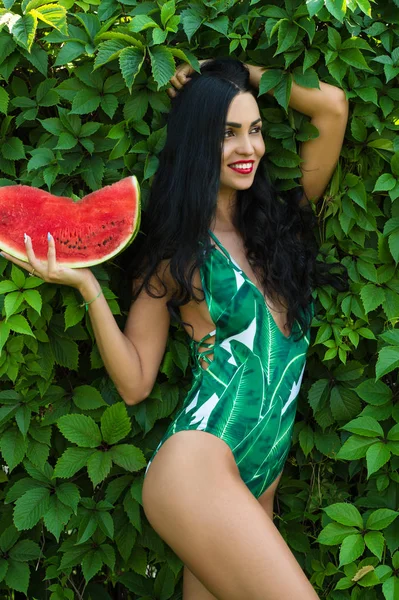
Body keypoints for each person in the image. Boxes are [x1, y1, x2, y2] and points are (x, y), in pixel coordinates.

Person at [1, 59, 349, 599]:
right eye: (228, 133)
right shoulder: (172, 253)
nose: (248, 148)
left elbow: (331, 106)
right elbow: (137, 381)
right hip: (197, 468)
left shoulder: (280, 230)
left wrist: (223, 71)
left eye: (254, 131)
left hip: (255, 486)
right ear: (196, 142)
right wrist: (86, 287)